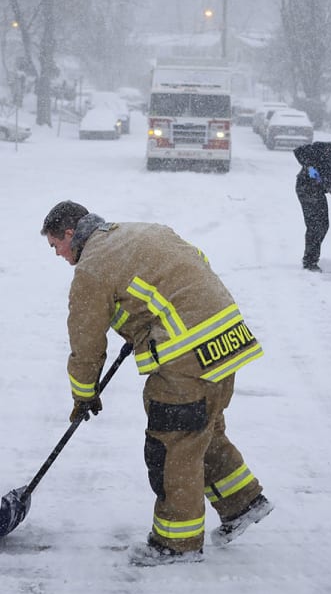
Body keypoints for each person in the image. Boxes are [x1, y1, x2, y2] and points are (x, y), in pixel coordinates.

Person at [40, 200, 272, 566]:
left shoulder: (92, 268)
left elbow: (85, 342)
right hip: (227, 341)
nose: (58, 254)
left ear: (70, 233)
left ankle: (175, 544)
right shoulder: (144, 231)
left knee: (172, 446)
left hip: (186, 356)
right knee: (201, 429)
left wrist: (84, 393)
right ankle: (242, 502)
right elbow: (191, 269)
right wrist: (147, 323)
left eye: (56, 245)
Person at [292, 131, 331, 271]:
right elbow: (298, 152)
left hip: (319, 191)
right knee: (315, 225)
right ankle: (310, 262)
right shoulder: (320, 148)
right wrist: (308, 167)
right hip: (305, 188)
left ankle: (311, 257)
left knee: (324, 225)